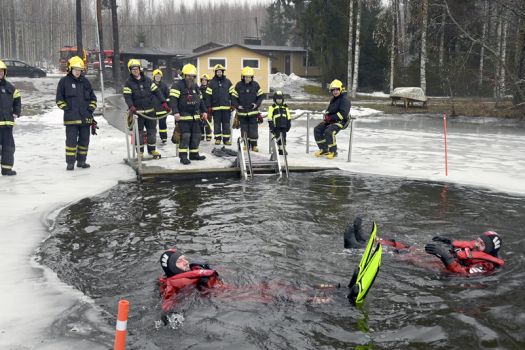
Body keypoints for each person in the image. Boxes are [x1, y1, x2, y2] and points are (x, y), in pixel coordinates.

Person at [344, 217, 504, 276]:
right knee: (407, 247)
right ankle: (367, 239)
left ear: (490, 250)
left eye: (481, 244)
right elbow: (462, 248)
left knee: (407, 256)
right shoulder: (477, 248)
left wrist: (447, 257)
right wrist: (448, 241)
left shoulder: (487, 265)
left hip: (446, 269)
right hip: (444, 259)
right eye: (477, 240)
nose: (476, 243)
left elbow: (464, 274)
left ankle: (356, 249)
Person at [56, 56, 98, 171]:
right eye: (75, 69)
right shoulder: (64, 82)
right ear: (70, 69)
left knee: (84, 141)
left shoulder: (86, 82)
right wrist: (67, 109)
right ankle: (70, 163)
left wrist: (90, 109)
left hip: (85, 118)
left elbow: (93, 99)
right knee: (71, 142)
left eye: (79, 70)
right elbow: (59, 100)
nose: (77, 72)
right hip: (71, 119)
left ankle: (81, 161)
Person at [123, 59, 168, 159]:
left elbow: (157, 92)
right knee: (139, 133)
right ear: (130, 70)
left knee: (152, 131)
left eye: (137, 68)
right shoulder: (128, 83)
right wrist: (131, 106)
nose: (135, 70)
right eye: (133, 69)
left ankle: (152, 150)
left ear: (140, 69)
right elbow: (127, 96)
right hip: (138, 113)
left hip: (150, 111)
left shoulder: (147, 80)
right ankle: (140, 152)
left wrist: (163, 102)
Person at [159, 248, 221, 312]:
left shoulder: (197, 270)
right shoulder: (170, 288)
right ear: (172, 267)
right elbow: (167, 307)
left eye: (185, 259)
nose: (186, 262)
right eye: (180, 261)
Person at [169, 63, 208, 165]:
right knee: (185, 136)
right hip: (182, 117)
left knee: (196, 136)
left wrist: (204, 111)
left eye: (193, 76)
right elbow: (173, 100)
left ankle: (194, 154)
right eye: (189, 76)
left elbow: (201, 100)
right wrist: (176, 112)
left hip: (195, 117)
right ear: (184, 75)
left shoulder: (195, 86)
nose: (191, 78)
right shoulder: (177, 85)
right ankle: (183, 157)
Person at [314, 79, 351, 159]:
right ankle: (324, 149)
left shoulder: (345, 100)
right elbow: (330, 110)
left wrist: (331, 117)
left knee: (329, 131)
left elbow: (343, 114)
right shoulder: (334, 99)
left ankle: (333, 151)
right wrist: (327, 116)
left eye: (337, 89)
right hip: (331, 120)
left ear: (341, 89)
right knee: (317, 129)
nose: (335, 92)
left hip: (342, 121)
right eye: (333, 90)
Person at [231, 66, 264, 152]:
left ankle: (254, 145)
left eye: (249, 77)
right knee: (244, 129)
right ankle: (245, 144)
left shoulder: (256, 85)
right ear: (243, 77)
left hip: (253, 112)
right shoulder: (238, 85)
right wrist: (237, 106)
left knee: (253, 129)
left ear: (252, 77)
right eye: (246, 77)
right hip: (242, 113)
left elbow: (261, 96)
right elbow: (234, 97)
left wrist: (256, 104)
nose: (247, 78)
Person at [0, 59, 21, 176]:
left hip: (7, 123)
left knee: (8, 148)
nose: (0, 73)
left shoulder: (10, 87)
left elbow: (17, 99)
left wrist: (16, 112)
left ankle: (6, 169)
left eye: (2, 71)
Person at [206, 64, 234, 146]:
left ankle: (226, 140)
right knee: (217, 124)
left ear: (222, 72)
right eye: (217, 71)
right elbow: (208, 96)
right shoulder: (211, 83)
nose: (219, 73)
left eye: (220, 71)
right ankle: (217, 139)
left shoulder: (228, 82)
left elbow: (233, 94)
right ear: (215, 72)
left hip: (226, 108)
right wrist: (209, 106)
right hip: (216, 108)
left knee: (226, 124)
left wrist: (233, 104)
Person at [267, 90, 291, 155]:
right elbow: (269, 117)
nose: (279, 100)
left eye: (280, 99)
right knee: (277, 137)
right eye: (278, 99)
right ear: (275, 99)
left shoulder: (285, 107)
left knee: (284, 137)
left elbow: (288, 116)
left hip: (284, 125)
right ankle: (279, 149)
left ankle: (283, 149)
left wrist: (289, 124)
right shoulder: (272, 107)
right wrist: (271, 126)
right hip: (276, 126)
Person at [152, 69, 171, 143]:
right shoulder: (150, 84)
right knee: (152, 125)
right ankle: (152, 138)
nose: (158, 77)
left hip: (162, 108)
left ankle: (164, 137)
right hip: (153, 109)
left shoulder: (164, 85)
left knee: (162, 124)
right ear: (154, 77)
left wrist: (168, 105)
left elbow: (168, 96)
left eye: (159, 76)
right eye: (156, 76)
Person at [199, 74, 212, 141]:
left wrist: (210, 106)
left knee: (208, 122)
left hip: (208, 108)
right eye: (202, 80)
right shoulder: (199, 89)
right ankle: (202, 135)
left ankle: (208, 136)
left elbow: (212, 98)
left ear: (207, 81)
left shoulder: (210, 89)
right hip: (200, 108)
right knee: (200, 122)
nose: (204, 81)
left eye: (205, 80)